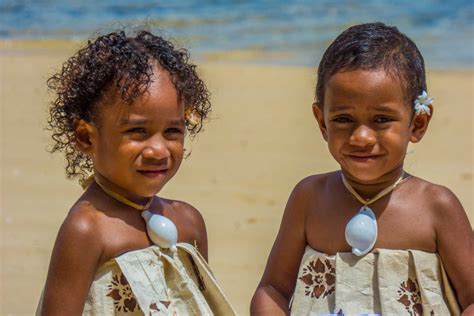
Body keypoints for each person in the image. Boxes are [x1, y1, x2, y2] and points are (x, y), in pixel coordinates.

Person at [250, 22, 473, 315]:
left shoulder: (436, 206)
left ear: (417, 124)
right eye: (343, 119)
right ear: (322, 122)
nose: (361, 138)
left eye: (381, 119)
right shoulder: (310, 199)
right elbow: (273, 289)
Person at [37, 30, 235, 315]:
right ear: (86, 137)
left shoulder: (189, 223)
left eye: (172, 131)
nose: (158, 149)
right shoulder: (87, 231)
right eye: (137, 131)